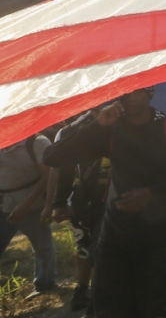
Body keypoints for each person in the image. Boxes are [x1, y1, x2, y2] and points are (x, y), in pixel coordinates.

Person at [43, 87, 166, 318]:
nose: (130, 98)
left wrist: (153, 193)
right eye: (124, 92)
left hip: (160, 242)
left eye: (138, 92)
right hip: (114, 239)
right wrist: (96, 126)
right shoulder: (110, 130)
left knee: (160, 309)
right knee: (110, 309)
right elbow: (52, 156)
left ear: (150, 92)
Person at [46, 112, 111, 315]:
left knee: (105, 250)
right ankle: (83, 288)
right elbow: (62, 167)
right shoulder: (68, 131)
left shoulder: (121, 123)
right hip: (81, 200)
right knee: (83, 246)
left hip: (113, 199)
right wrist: (58, 203)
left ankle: (104, 298)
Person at [0, 133, 57, 297]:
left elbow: (49, 174)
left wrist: (26, 204)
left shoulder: (37, 142)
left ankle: (45, 284)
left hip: (33, 205)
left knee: (42, 246)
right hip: (4, 203)